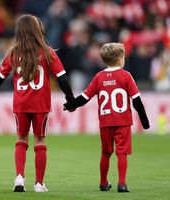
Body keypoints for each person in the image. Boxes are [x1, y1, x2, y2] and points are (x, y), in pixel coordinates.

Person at [0, 14, 75, 192]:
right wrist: (70, 99)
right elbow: (62, 78)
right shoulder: (48, 52)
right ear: (38, 30)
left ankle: (19, 178)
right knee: (40, 141)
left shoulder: (14, 53)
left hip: (21, 104)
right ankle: (39, 184)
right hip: (41, 105)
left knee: (21, 139)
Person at [64, 43, 150, 192]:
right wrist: (145, 122)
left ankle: (103, 183)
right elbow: (136, 101)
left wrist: (71, 104)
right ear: (120, 60)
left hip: (105, 122)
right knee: (122, 152)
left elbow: (84, 98)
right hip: (122, 122)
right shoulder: (126, 76)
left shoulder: (99, 77)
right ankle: (122, 183)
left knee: (106, 152)